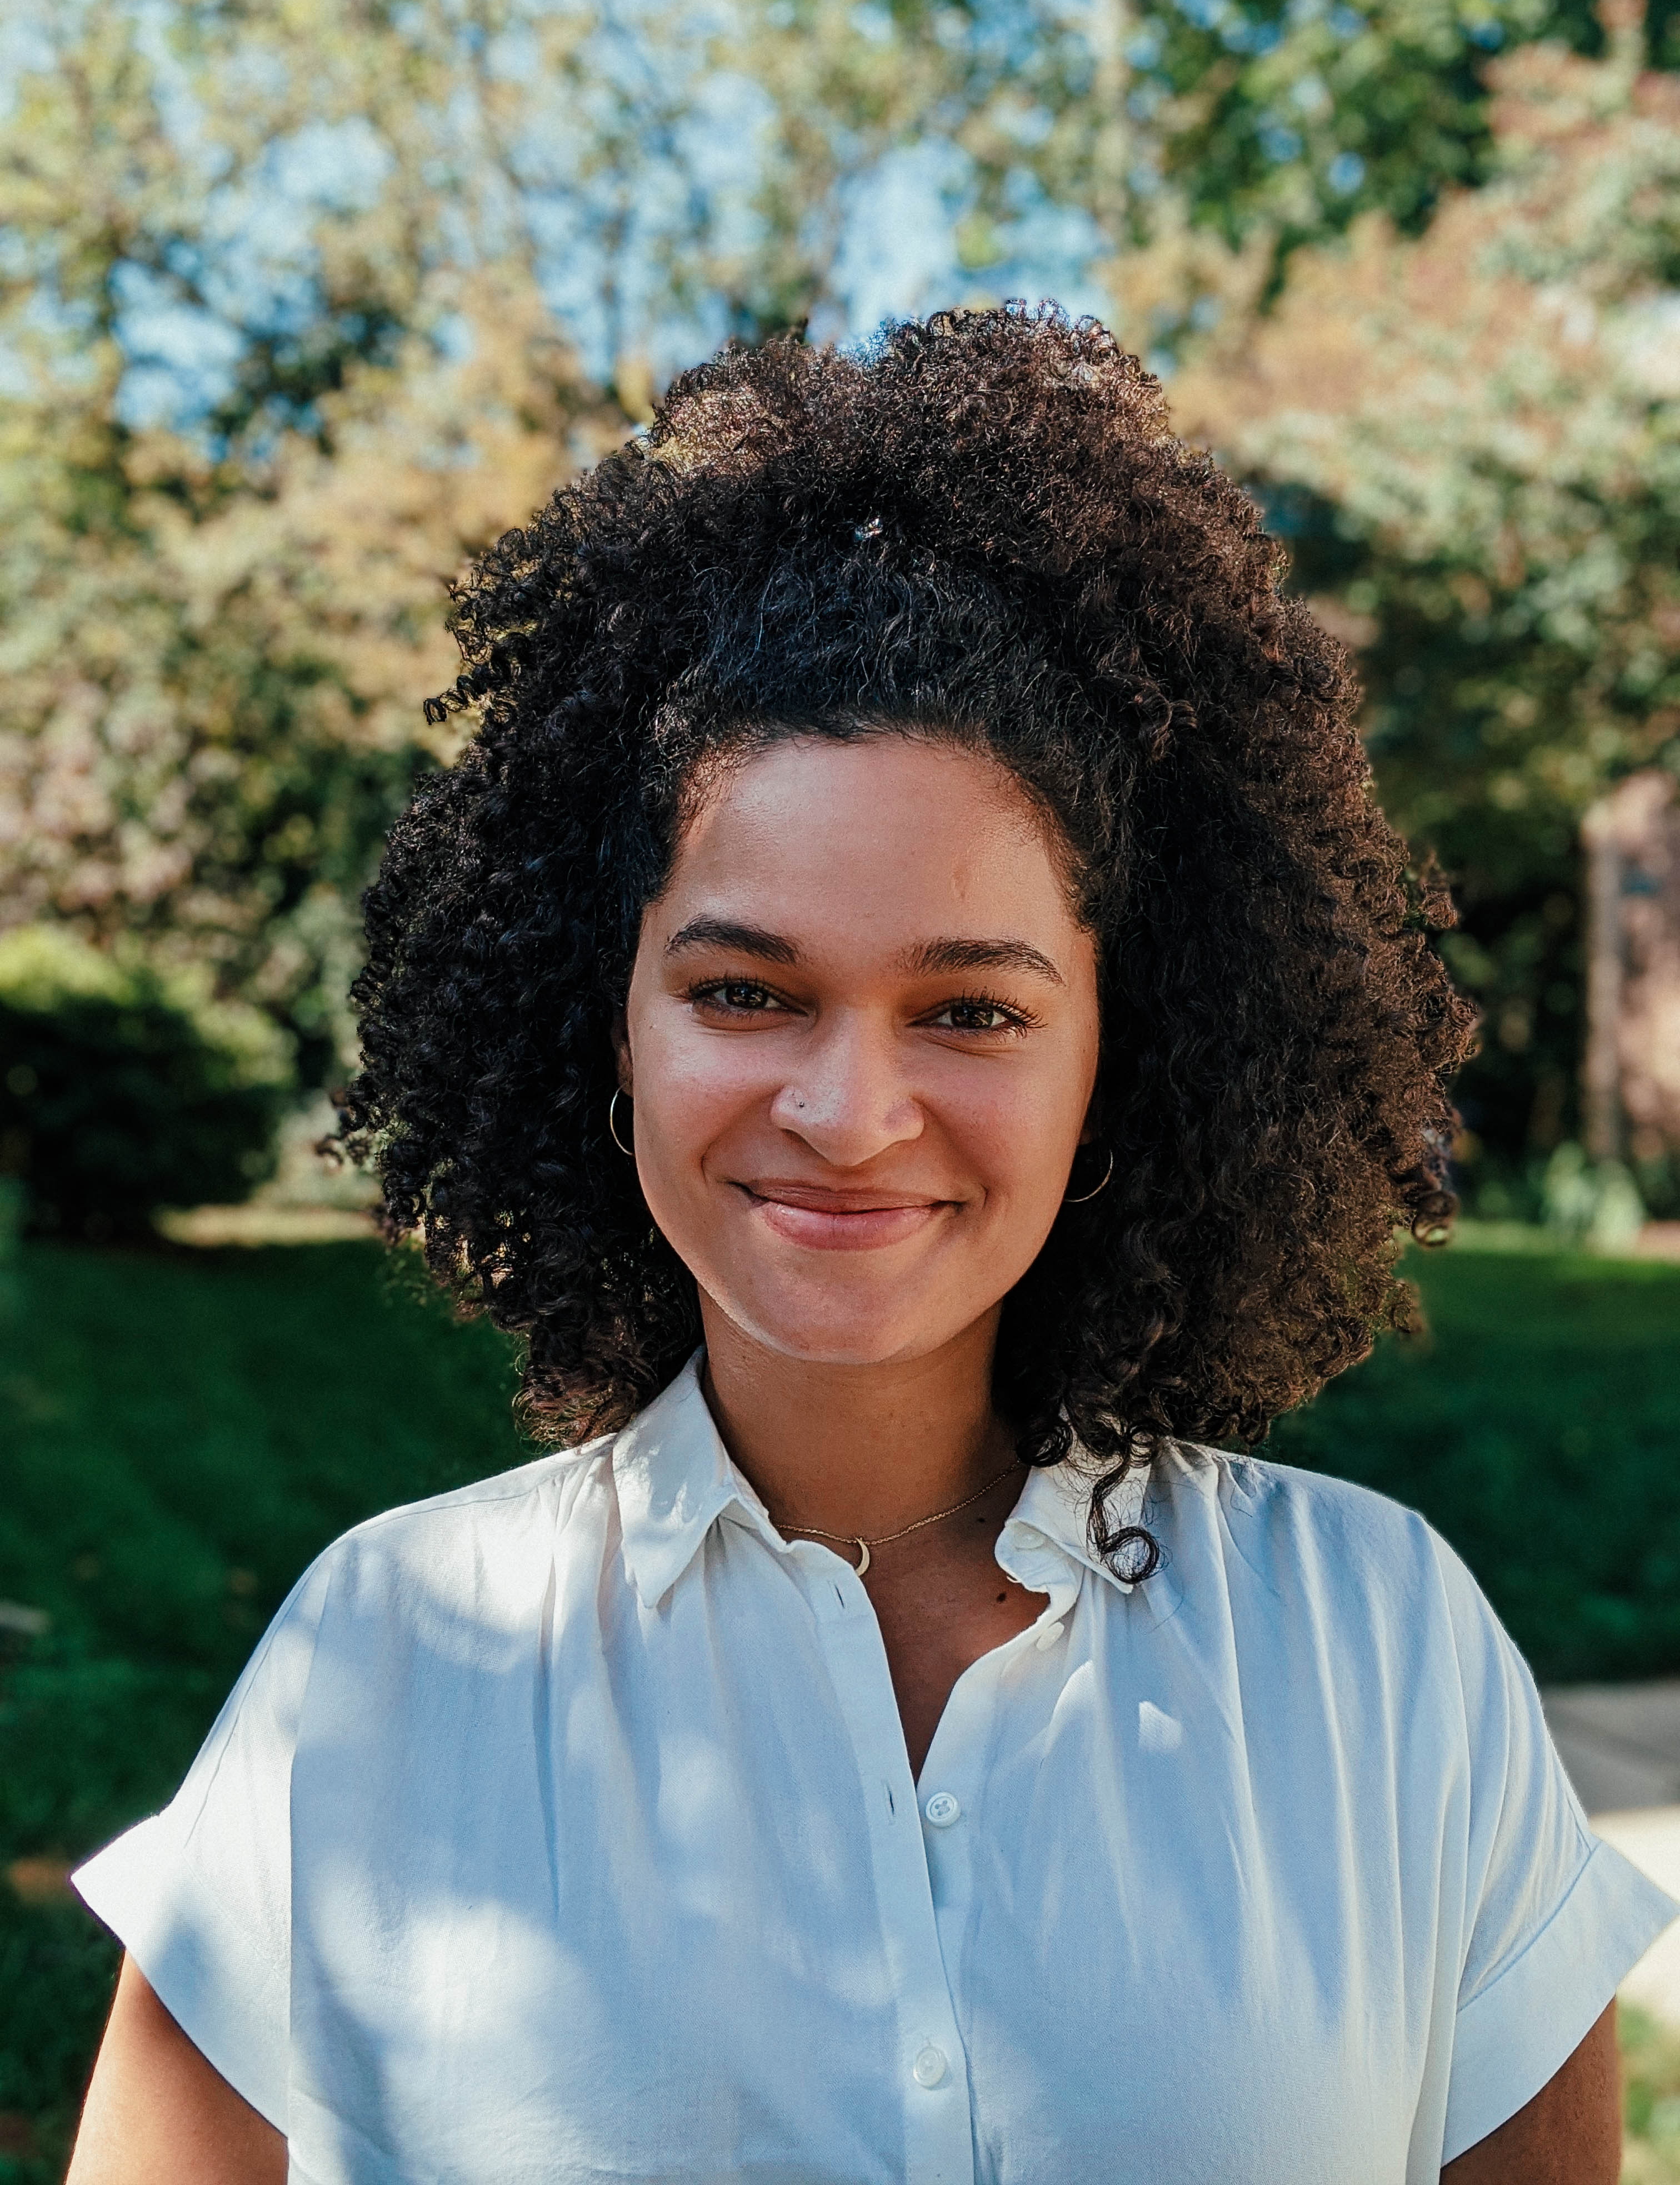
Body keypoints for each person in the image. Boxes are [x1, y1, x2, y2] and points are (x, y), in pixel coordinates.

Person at [68, 307, 1673, 2184]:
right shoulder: (380, 1669)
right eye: (748, 991)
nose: (848, 1111)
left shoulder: (1381, 1650)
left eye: (973, 1011)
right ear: (614, 1028)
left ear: (1115, 1059)